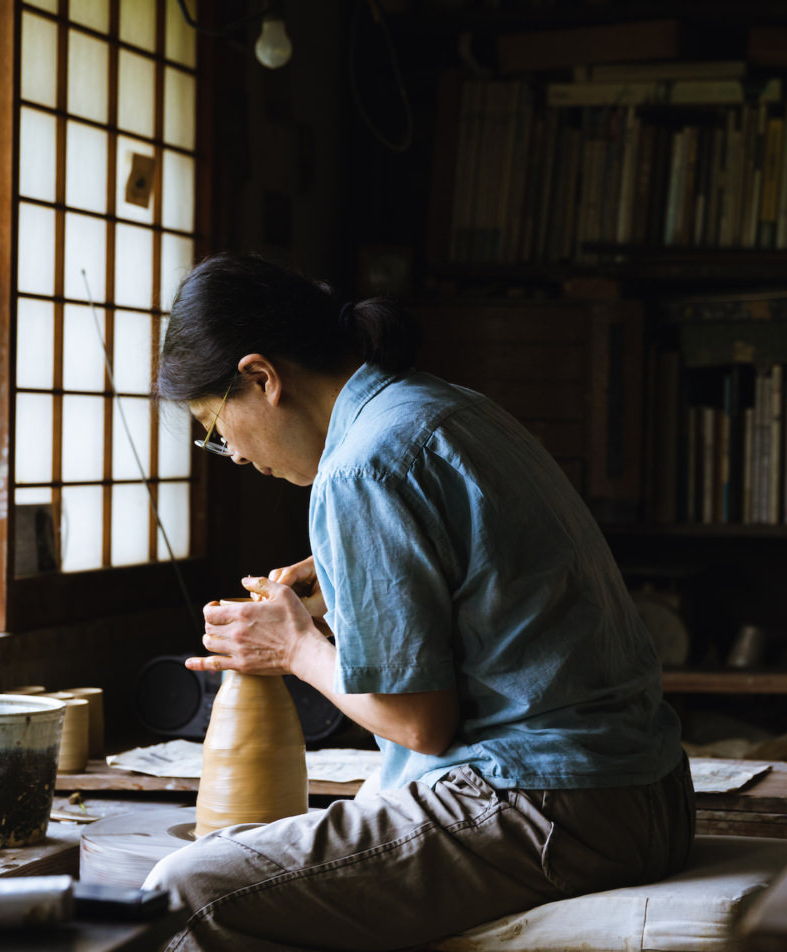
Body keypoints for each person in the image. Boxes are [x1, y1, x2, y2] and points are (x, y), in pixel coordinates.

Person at [145, 251, 694, 951]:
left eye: (217, 430)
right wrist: (345, 582)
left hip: (548, 805)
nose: (237, 456)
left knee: (182, 893)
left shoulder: (360, 466)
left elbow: (417, 722)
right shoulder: (444, 407)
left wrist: (296, 649)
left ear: (262, 377)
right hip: (649, 795)